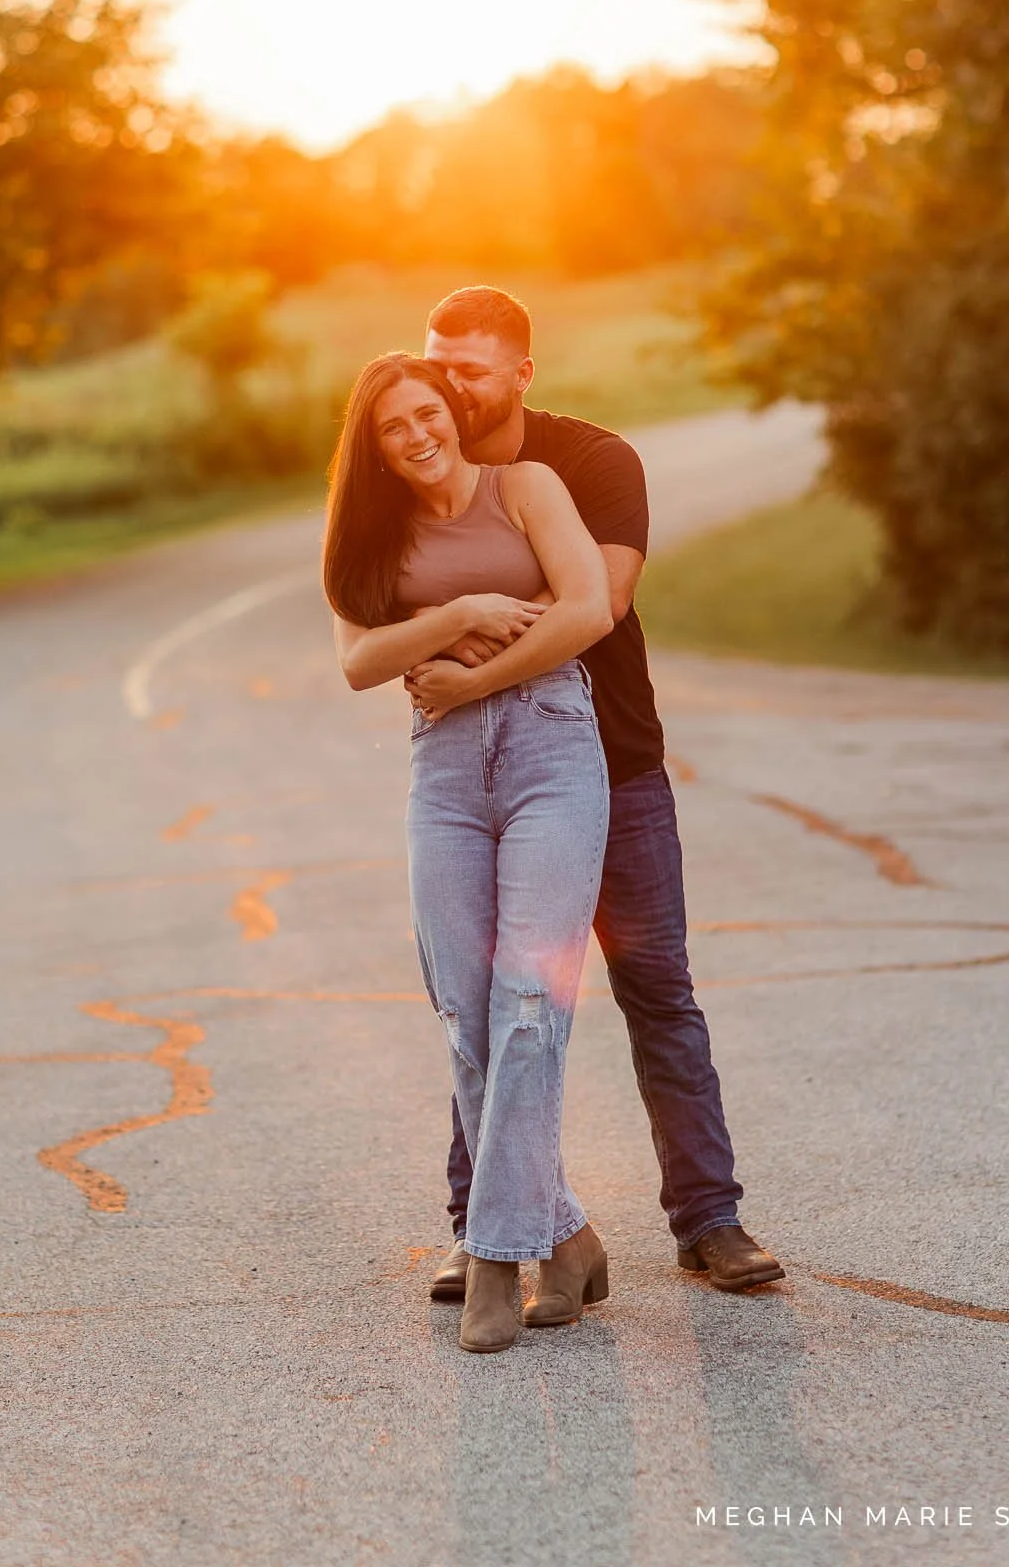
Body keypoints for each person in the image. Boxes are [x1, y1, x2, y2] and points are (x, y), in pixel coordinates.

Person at [420, 286, 785, 1297]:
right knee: (491, 1004)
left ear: (521, 373)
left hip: (615, 763)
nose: (449, 387)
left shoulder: (595, 462)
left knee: (656, 986)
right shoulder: (427, 473)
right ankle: (480, 1227)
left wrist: (472, 646)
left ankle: (709, 1219)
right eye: (435, 364)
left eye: (470, 369)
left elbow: (604, 599)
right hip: (489, 777)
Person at [323, 351, 618, 1354]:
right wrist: (458, 617)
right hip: (445, 772)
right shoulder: (372, 535)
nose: (417, 435)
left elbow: (587, 609)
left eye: (427, 413)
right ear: (374, 449)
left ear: (451, 413)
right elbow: (359, 659)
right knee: (465, 1011)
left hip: (550, 749)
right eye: (392, 427)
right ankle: (566, 1237)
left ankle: (496, 1258)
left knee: (529, 1004)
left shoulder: (525, 487)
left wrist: (470, 677)